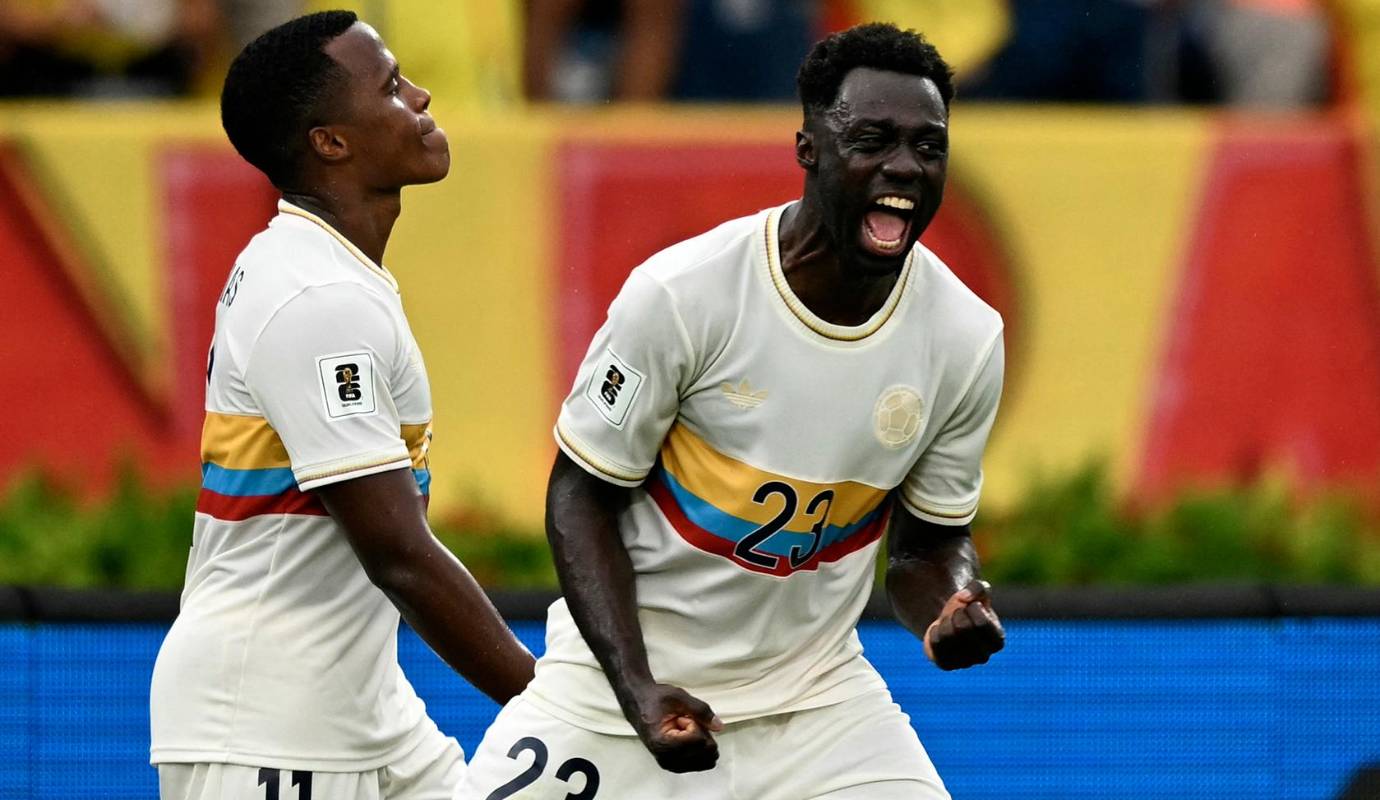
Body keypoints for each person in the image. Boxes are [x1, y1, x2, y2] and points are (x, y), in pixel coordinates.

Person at [457, 22, 1005, 800]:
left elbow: (927, 545)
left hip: (817, 711)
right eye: (873, 140)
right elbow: (581, 497)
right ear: (809, 149)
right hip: (616, 698)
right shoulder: (683, 296)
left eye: (928, 146)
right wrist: (637, 688)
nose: (904, 168)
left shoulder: (966, 337)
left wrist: (949, 604)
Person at [148, 11, 536, 799]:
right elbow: (396, 550)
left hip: (362, 712)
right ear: (332, 141)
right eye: (393, 87)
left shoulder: (323, 271)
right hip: (267, 726)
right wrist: (558, 703)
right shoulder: (318, 297)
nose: (423, 97)